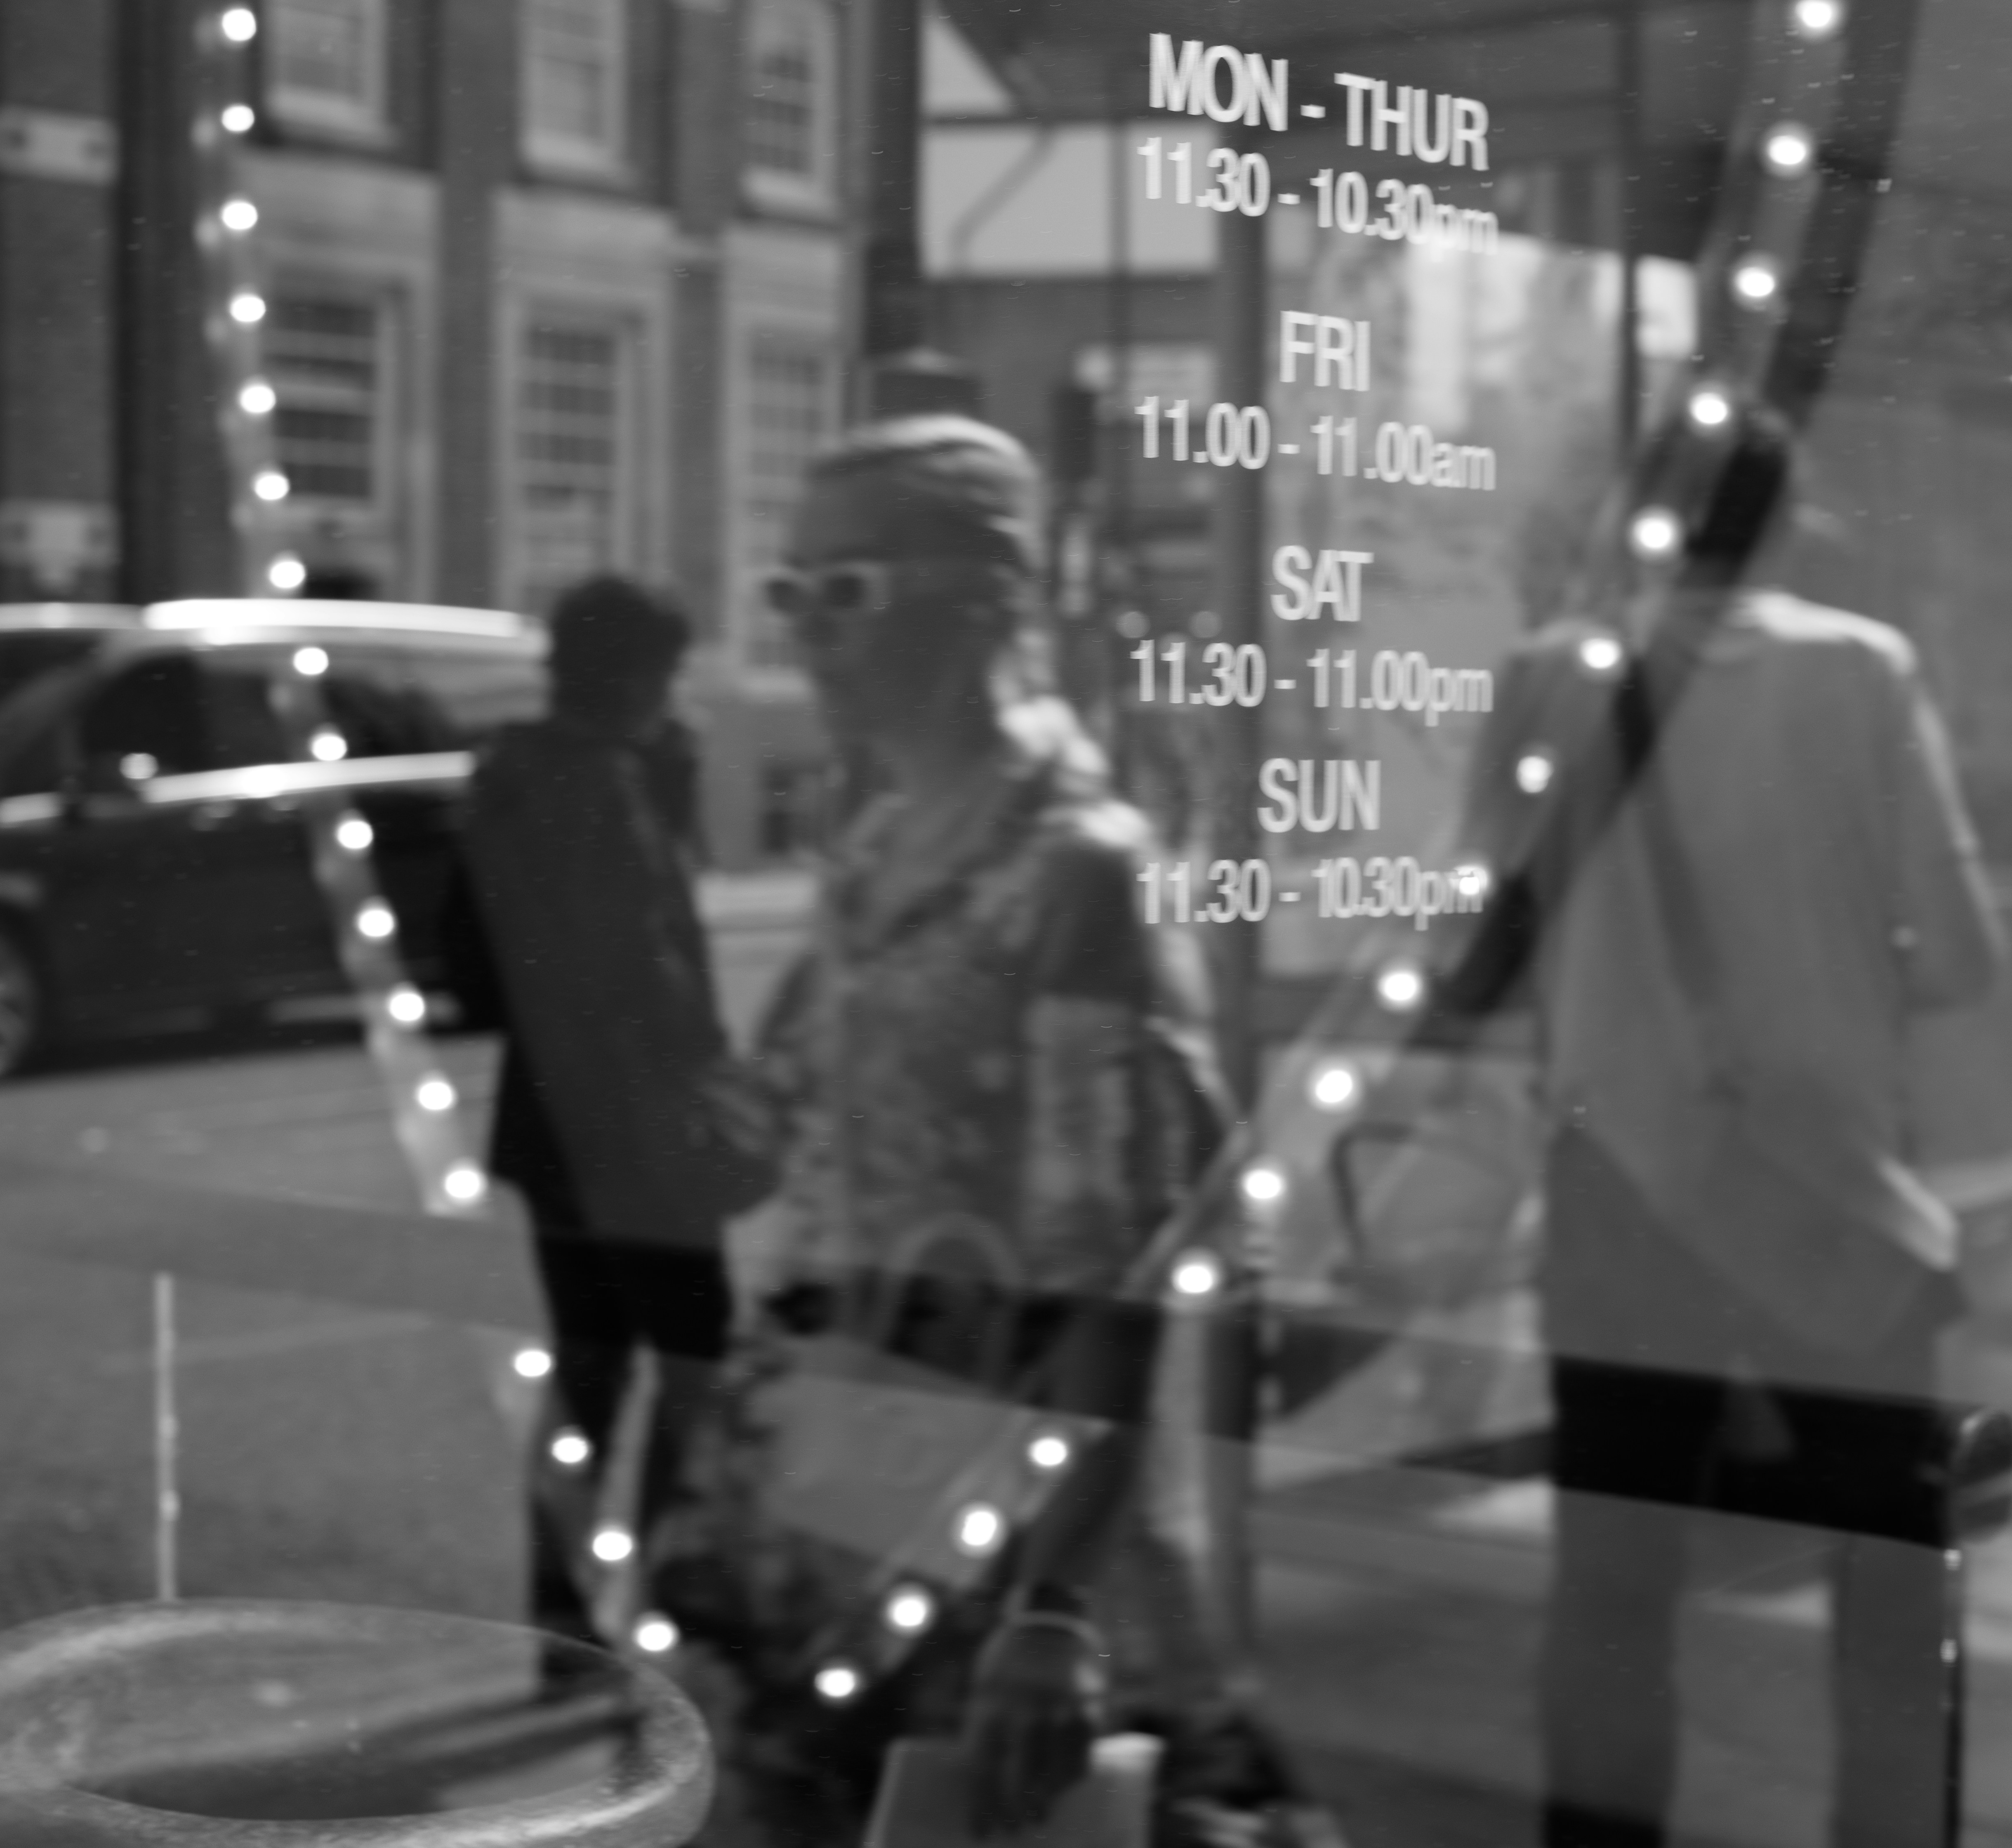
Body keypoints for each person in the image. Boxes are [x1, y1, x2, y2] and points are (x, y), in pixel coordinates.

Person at [646, 417, 1317, 1848]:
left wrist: (1057, 1608)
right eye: (791, 594)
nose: (811, 634)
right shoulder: (880, 852)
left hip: (1004, 1535)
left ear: (987, 595)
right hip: (836, 1495)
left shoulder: (1075, 874)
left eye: (851, 591)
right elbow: (782, 1144)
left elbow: (1110, 1281)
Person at [1455, 413, 2003, 1847]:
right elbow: (1958, 962)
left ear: (1641, 513)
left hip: (1616, 1192)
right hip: (1827, 1193)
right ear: (1781, 516)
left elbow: (1480, 949)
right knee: (1889, 1593)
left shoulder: (1544, 682)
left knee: (1613, 1588)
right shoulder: (1863, 675)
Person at [452, 574, 735, 1679]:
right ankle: (665, 1600)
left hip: (548, 1120)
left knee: (589, 1367)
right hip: (641, 1129)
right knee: (697, 1362)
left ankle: (559, 1615)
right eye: (666, 672)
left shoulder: (512, 778)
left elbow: (473, 964)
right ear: (632, 677)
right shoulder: (611, 791)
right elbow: (660, 971)